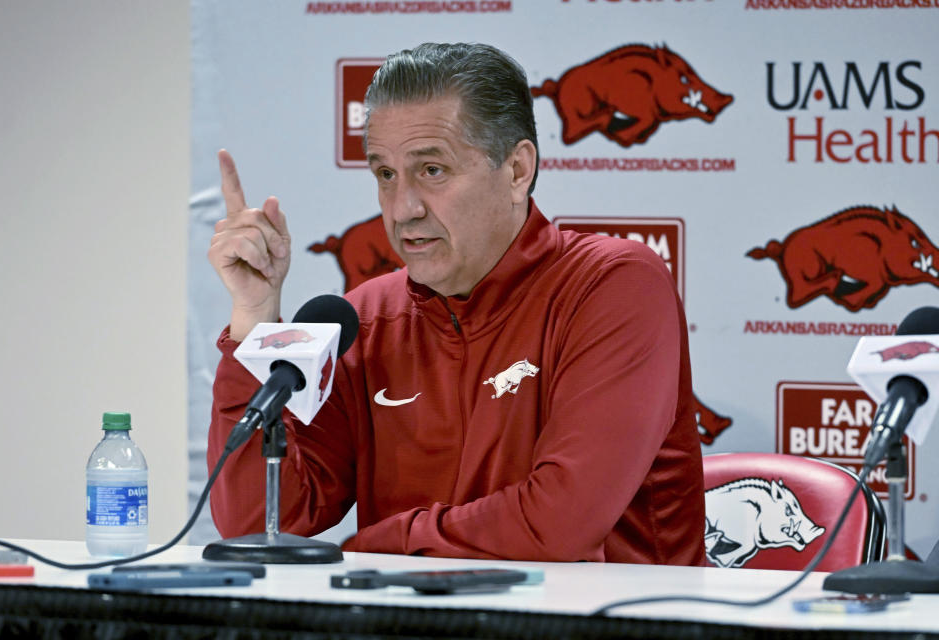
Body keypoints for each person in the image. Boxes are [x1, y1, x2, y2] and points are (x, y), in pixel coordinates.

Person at [206, 42, 705, 564]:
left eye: (432, 171)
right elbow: (261, 524)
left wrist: (373, 547)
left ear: (517, 171)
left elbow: (557, 526)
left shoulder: (613, 284)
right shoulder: (369, 317)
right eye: (385, 174)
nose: (403, 209)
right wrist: (254, 321)